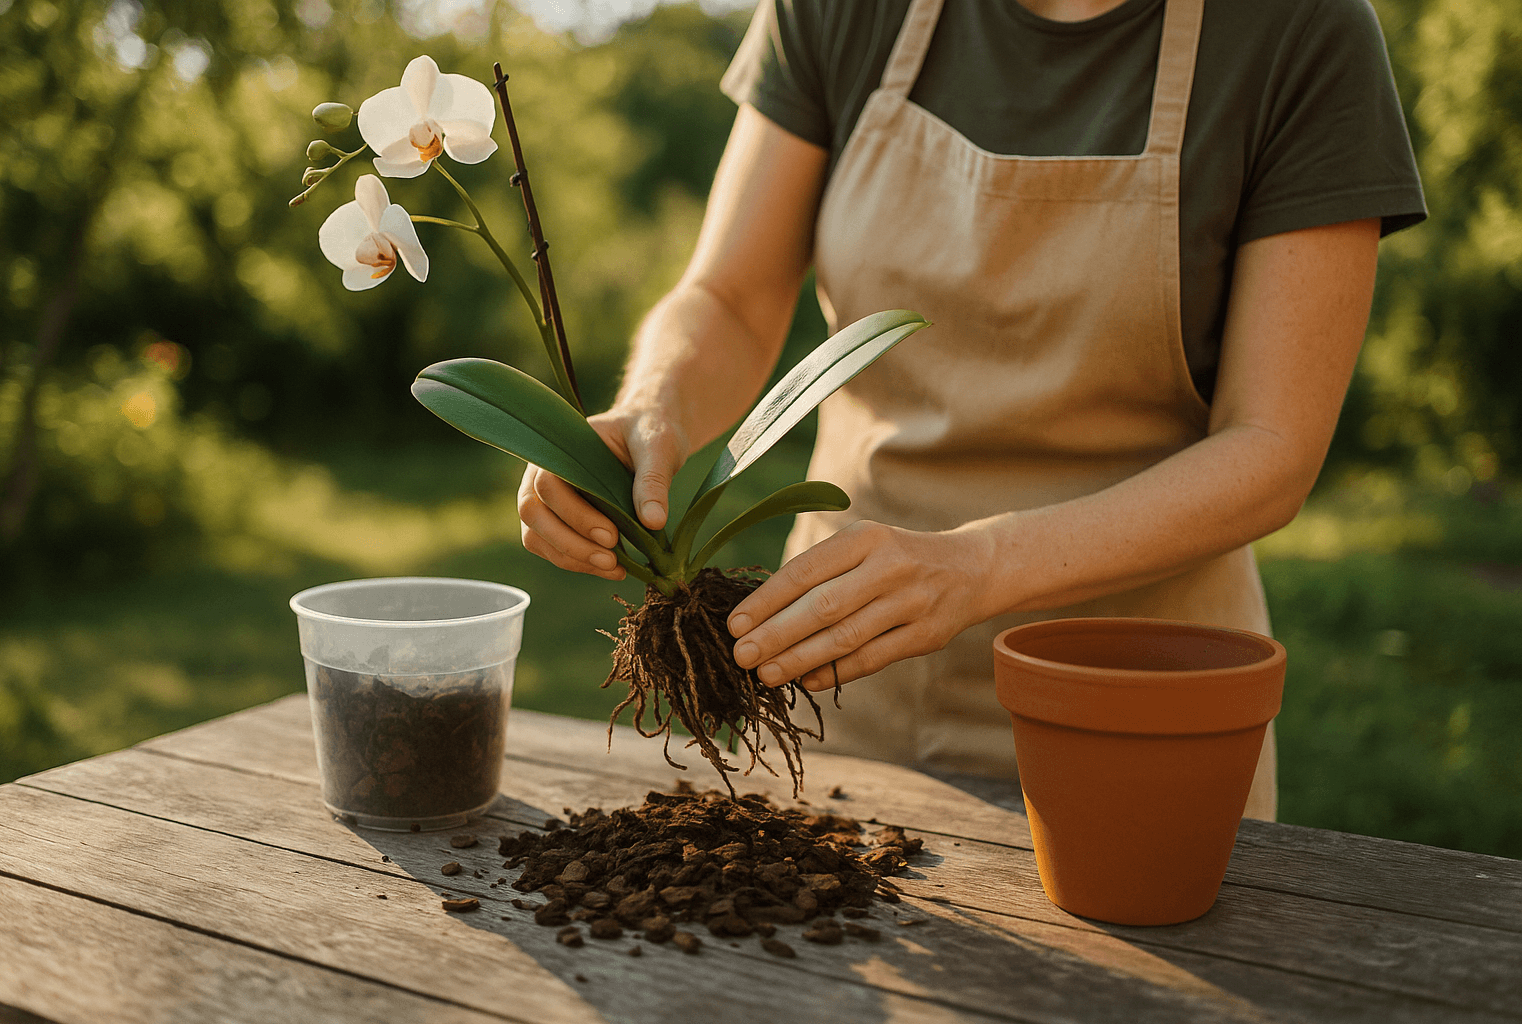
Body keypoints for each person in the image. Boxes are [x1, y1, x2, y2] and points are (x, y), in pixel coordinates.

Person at [516, 0, 1427, 820]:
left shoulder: (1301, 31)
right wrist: (654, 403)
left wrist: (978, 566)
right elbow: (730, 296)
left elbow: (1270, 448)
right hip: (839, 681)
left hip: (1136, 700)